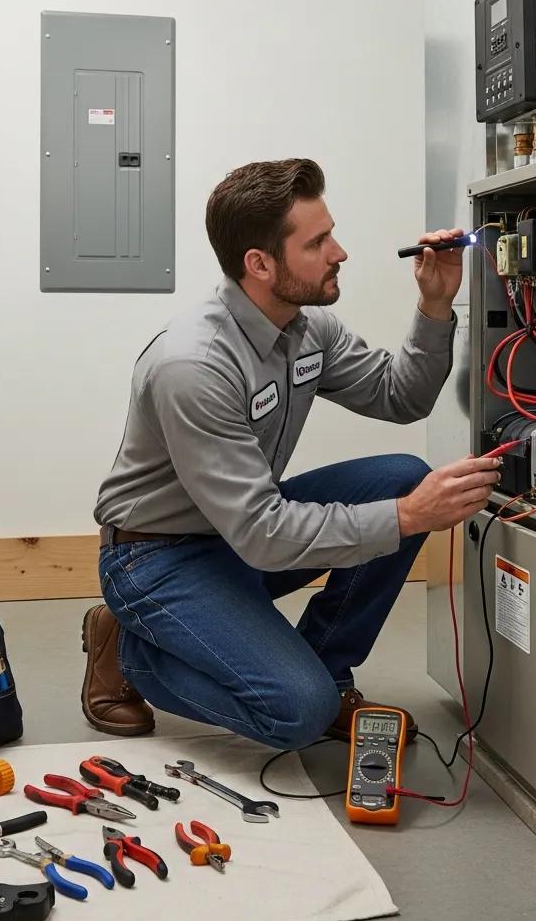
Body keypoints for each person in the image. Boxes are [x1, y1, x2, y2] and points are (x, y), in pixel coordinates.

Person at [81, 158, 500, 749]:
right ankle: (130, 650)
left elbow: (400, 396)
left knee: (404, 478)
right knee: (297, 714)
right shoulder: (194, 365)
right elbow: (263, 534)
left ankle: (328, 669)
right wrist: (411, 518)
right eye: (319, 242)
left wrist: (434, 305)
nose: (341, 253)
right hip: (156, 560)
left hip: (237, 537)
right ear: (260, 264)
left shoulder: (306, 329)